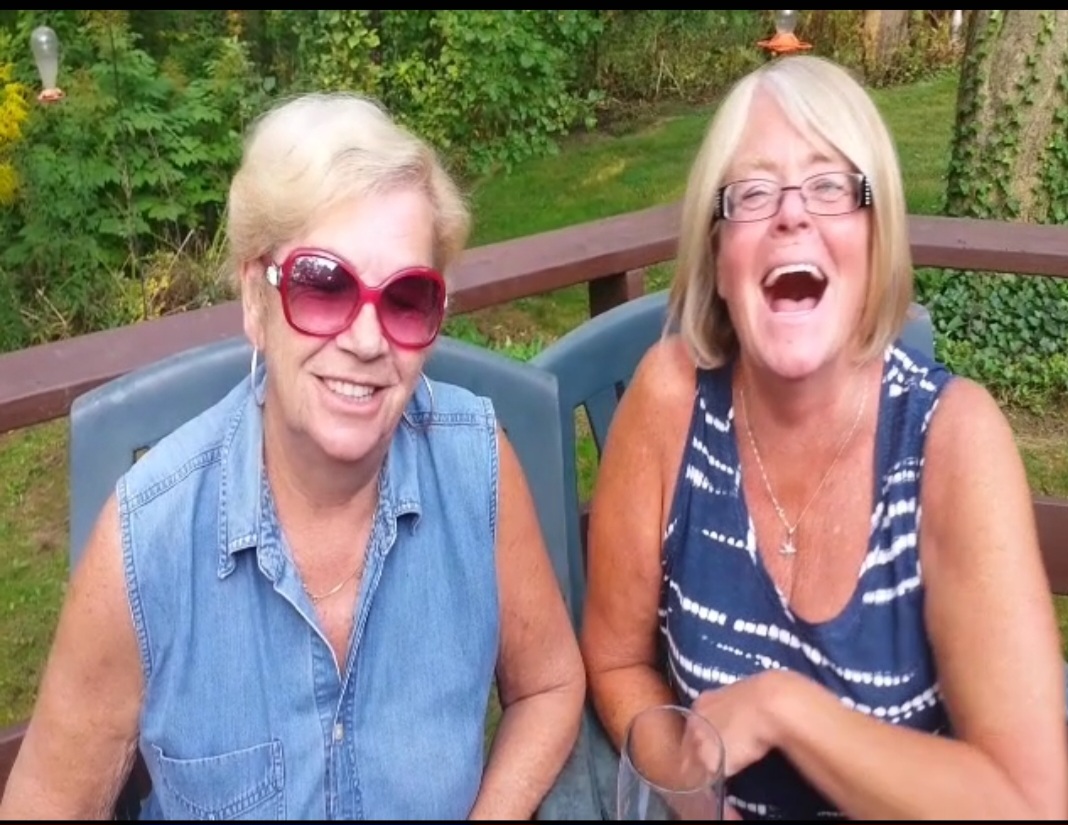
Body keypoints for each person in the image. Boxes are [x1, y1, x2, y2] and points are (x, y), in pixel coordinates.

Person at [0, 92, 585, 820]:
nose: (367, 340)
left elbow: (550, 684)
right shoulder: (148, 540)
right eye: (324, 285)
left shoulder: (476, 466)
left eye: (405, 298)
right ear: (256, 299)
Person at [581, 55, 1068, 820]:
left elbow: (1028, 802)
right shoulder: (669, 401)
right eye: (753, 192)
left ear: (878, 239)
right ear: (718, 256)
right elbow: (614, 660)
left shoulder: (953, 442)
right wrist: (689, 786)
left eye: (830, 185)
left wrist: (785, 710)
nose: (791, 215)